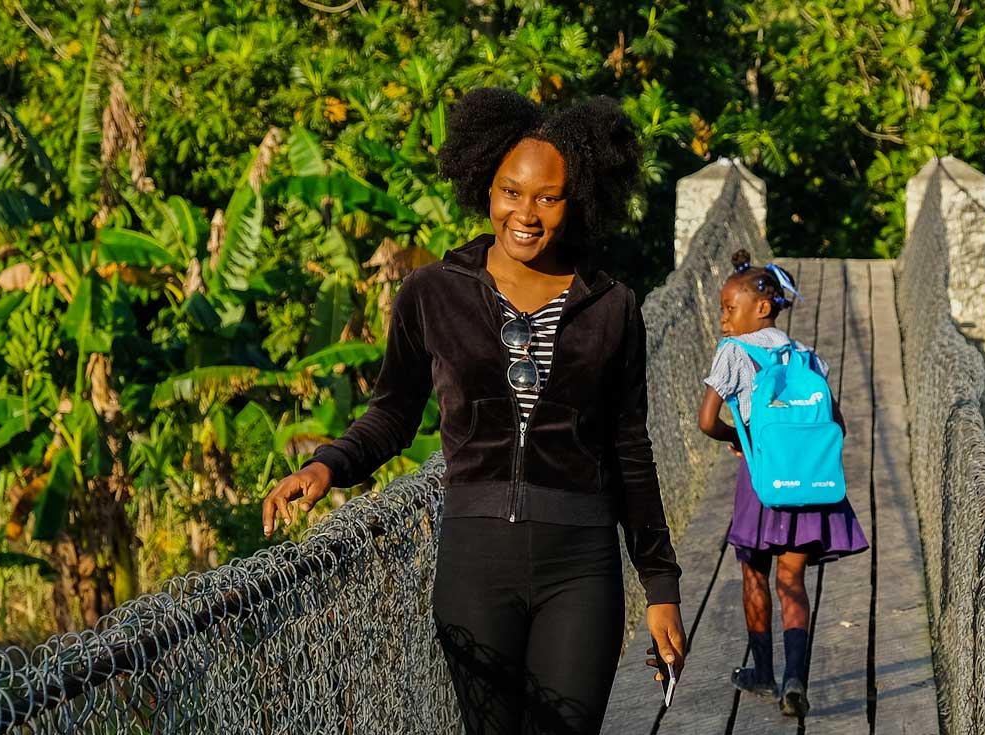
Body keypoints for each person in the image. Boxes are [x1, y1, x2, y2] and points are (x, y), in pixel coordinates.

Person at [262, 87, 685, 735]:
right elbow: (392, 413)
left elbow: (631, 446)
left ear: (579, 202)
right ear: (485, 188)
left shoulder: (613, 306)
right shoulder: (433, 292)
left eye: (549, 196)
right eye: (511, 190)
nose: (526, 211)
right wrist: (328, 466)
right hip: (475, 566)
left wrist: (660, 585)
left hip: (582, 566)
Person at [695, 250, 870, 717]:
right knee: (792, 578)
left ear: (762, 308)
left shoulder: (734, 352)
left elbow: (706, 421)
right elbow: (838, 425)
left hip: (762, 485)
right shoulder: (809, 358)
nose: (724, 319)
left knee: (755, 574)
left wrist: (740, 438)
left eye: (730, 308)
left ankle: (764, 673)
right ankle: (796, 677)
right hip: (810, 486)